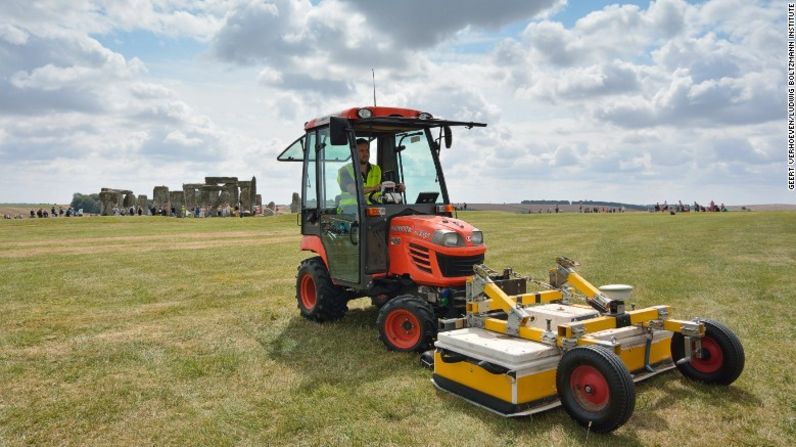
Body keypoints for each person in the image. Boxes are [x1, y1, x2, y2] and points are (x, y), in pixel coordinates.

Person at [337, 138, 404, 213]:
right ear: (354, 153)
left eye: (367, 151)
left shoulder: (376, 169)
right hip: (349, 210)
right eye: (361, 151)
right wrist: (373, 188)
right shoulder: (345, 171)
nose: (365, 154)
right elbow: (353, 190)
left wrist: (397, 187)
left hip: (373, 208)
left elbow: (384, 186)